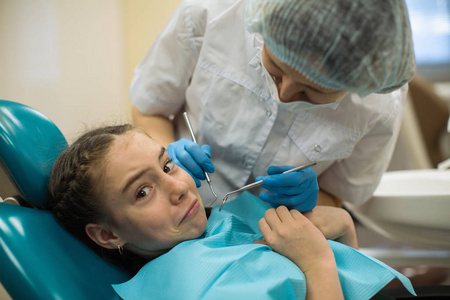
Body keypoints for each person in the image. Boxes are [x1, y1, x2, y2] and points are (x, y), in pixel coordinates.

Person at [48, 124, 414, 300]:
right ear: (108, 235)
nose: (178, 187)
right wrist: (317, 261)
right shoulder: (199, 289)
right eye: (143, 192)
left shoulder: (211, 228)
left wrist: (345, 230)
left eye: (167, 166)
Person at [130, 0, 416, 209]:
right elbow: (148, 109)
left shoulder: (378, 102)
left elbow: (338, 197)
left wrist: (313, 202)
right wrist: (166, 152)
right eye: (275, 68)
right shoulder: (211, 14)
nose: (285, 93)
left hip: (272, 244)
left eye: (312, 90)